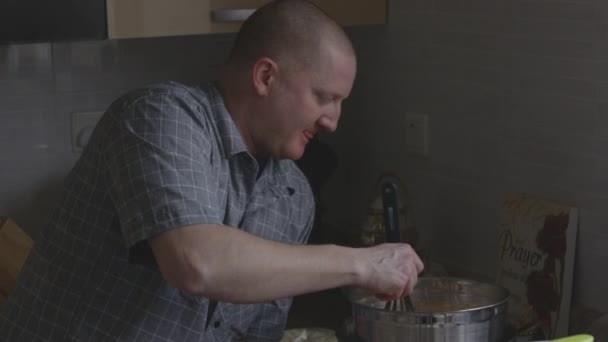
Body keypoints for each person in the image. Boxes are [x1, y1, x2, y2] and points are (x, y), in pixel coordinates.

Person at [0, 0, 424, 341]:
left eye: (340, 102)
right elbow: (197, 262)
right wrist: (359, 264)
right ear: (265, 76)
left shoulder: (294, 198)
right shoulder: (161, 116)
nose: (333, 120)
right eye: (323, 97)